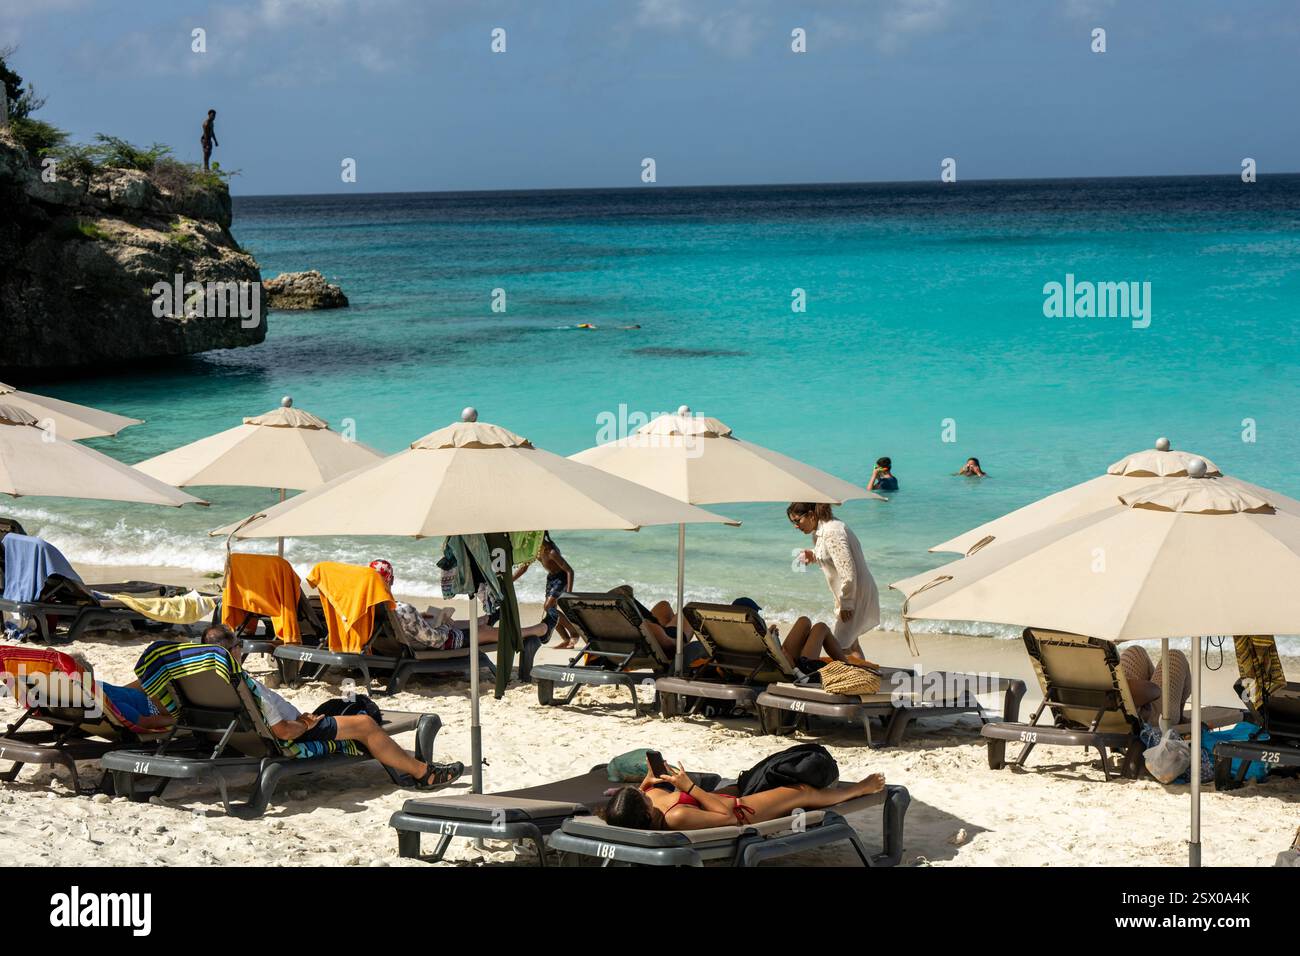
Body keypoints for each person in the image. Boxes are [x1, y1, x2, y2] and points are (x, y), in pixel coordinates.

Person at [201, 624, 463, 789]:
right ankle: (423, 773)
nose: (241, 648)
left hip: (250, 735)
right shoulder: (248, 687)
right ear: (233, 651)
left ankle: (397, 755)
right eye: (239, 644)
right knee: (365, 723)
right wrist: (305, 724)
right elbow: (283, 733)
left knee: (342, 705)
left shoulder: (210, 681)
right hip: (292, 733)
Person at [597, 754, 885, 831]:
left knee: (755, 775)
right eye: (645, 796)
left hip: (714, 799)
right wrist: (690, 788)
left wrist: (647, 782)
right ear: (647, 812)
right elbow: (728, 819)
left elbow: (636, 799)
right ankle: (860, 788)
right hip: (743, 811)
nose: (647, 793)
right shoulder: (676, 818)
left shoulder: (646, 804)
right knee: (802, 791)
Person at [369, 559, 549, 650]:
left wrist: (420, 619)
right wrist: (445, 625)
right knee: (483, 632)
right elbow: (436, 640)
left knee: (461, 622)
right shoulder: (403, 609)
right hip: (426, 645)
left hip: (400, 643)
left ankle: (485, 618)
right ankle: (538, 630)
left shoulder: (366, 606)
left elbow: (400, 624)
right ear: (391, 580)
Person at [788, 502, 880, 658]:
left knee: (840, 646)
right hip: (852, 591)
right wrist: (813, 555)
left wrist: (847, 604)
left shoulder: (832, 532)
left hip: (854, 593)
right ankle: (863, 678)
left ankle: (856, 679)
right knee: (850, 644)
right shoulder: (824, 530)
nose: (796, 526)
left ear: (811, 515)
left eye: (797, 521)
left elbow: (848, 571)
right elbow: (833, 556)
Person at [67, 653, 173, 731]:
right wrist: (177, 721)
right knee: (167, 679)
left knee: (152, 677)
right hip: (152, 708)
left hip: (129, 695)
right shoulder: (113, 705)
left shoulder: (88, 691)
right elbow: (145, 723)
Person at [512, 534, 577, 648]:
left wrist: (569, 594)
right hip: (551, 578)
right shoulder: (536, 550)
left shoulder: (551, 552)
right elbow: (524, 568)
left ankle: (574, 633)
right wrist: (510, 580)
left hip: (561, 578)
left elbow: (569, 571)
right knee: (551, 610)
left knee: (548, 607)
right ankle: (566, 639)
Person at [1120, 644, 1191, 727]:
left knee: (1135, 651)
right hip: (1142, 718)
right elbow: (1155, 691)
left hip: (1109, 707)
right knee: (1175, 656)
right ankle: (1179, 716)